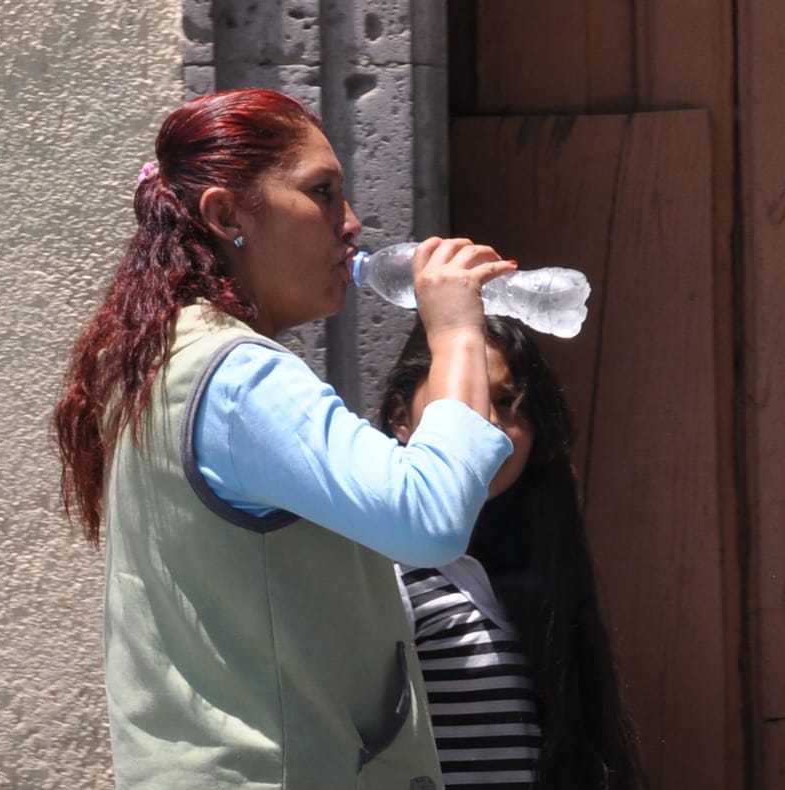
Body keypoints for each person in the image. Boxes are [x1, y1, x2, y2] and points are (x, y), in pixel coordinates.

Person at [52, 88, 518, 789]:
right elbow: (429, 517)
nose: (352, 224)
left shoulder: (164, 359)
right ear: (226, 215)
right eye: (322, 193)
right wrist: (454, 332)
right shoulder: (239, 377)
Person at [379, 316, 647, 790]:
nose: (490, 428)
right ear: (401, 416)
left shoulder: (532, 568)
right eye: (465, 402)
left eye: (508, 403)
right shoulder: (384, 568)